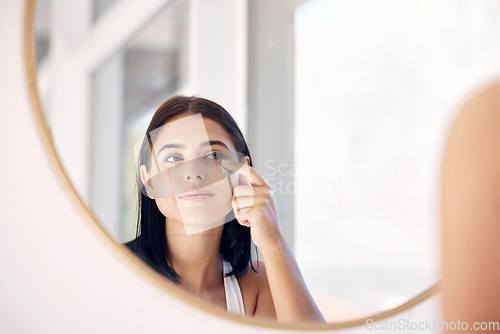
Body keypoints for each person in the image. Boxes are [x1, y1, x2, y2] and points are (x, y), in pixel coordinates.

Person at [125, 95, 325, 323]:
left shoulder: (258, 287)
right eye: (173, 157)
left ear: (241, 173)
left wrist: (273, 241)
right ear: (148, 181)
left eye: (213, 155)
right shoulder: (115, 268)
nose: (193, 173)